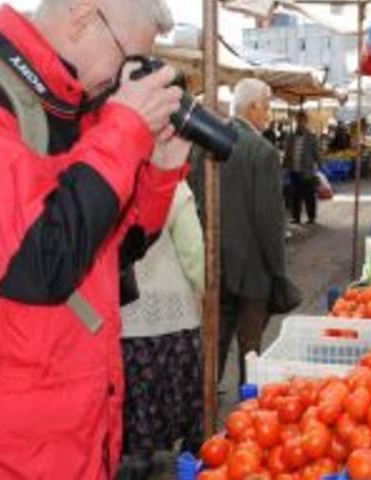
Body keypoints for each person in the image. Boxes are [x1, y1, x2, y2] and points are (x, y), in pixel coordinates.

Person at [0, 1, 191, 478]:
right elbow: (39, 264)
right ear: (85, 16)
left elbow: (110, 253)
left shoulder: (74, 109)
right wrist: (124, 130)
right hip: (2, 448)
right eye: (129, 59)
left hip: (78, 427)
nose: (126, 78)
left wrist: (160, 174)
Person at [190, 78, 287, 385]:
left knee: (213, 345)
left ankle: (202, 415)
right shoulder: (263, 151)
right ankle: (248, 415)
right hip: (252, 270)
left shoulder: (203, 144)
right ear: (254, 107)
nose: (268, 114)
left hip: (212, 263)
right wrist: (277, 271)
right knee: (250, 348)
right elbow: (269, 221)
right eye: (267, 107)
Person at [120, 181, 204, 479]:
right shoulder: (173, 185)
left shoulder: (111, 177)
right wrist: (201, 289)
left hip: (123, 322)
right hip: (173, 319)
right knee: (175, 406)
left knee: (135, 416)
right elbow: (193, 253)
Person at [284, 111, 322, 224]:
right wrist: (284, 166)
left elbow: (317, 153)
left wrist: (320, 164)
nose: (300, 123)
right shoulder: (291, 137)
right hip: (294, 170)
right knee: (295, 195)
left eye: (302, 121)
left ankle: (311, 217)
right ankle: (296, 217)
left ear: (306, 122)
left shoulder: (311, 137)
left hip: (307, 171)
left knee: (309, 195)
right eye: (298, 121)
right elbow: (287, 153)